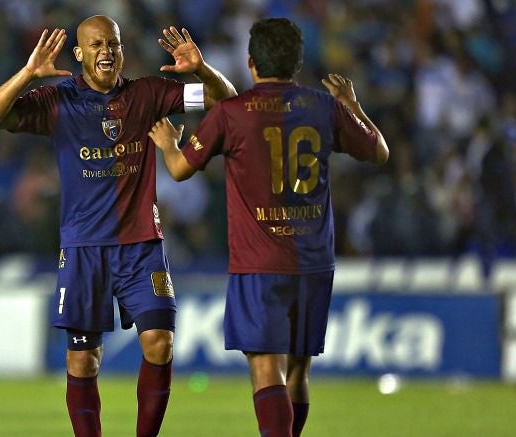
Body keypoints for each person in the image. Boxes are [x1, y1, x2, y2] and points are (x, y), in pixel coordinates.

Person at [0, 15, 236, 437]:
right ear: (79, 54)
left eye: (113, 44)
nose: (107, 52)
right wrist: (27, 73)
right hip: (83, 248)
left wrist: (201, 68)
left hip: (141, 245)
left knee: (160, 344)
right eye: (96, 45)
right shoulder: (56, 101)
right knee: (82, 361)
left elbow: (224, 100)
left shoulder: (149, 93)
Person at [148, 18, 388, 437]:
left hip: (259, 262)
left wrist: (168, 144)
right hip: (314, 260)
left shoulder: (232, 114)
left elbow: (181, 168)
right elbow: (379, 151)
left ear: (250, 61)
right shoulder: (322, 106)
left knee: (266, 370)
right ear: (297, 63)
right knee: (297, 370)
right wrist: (352, 105)